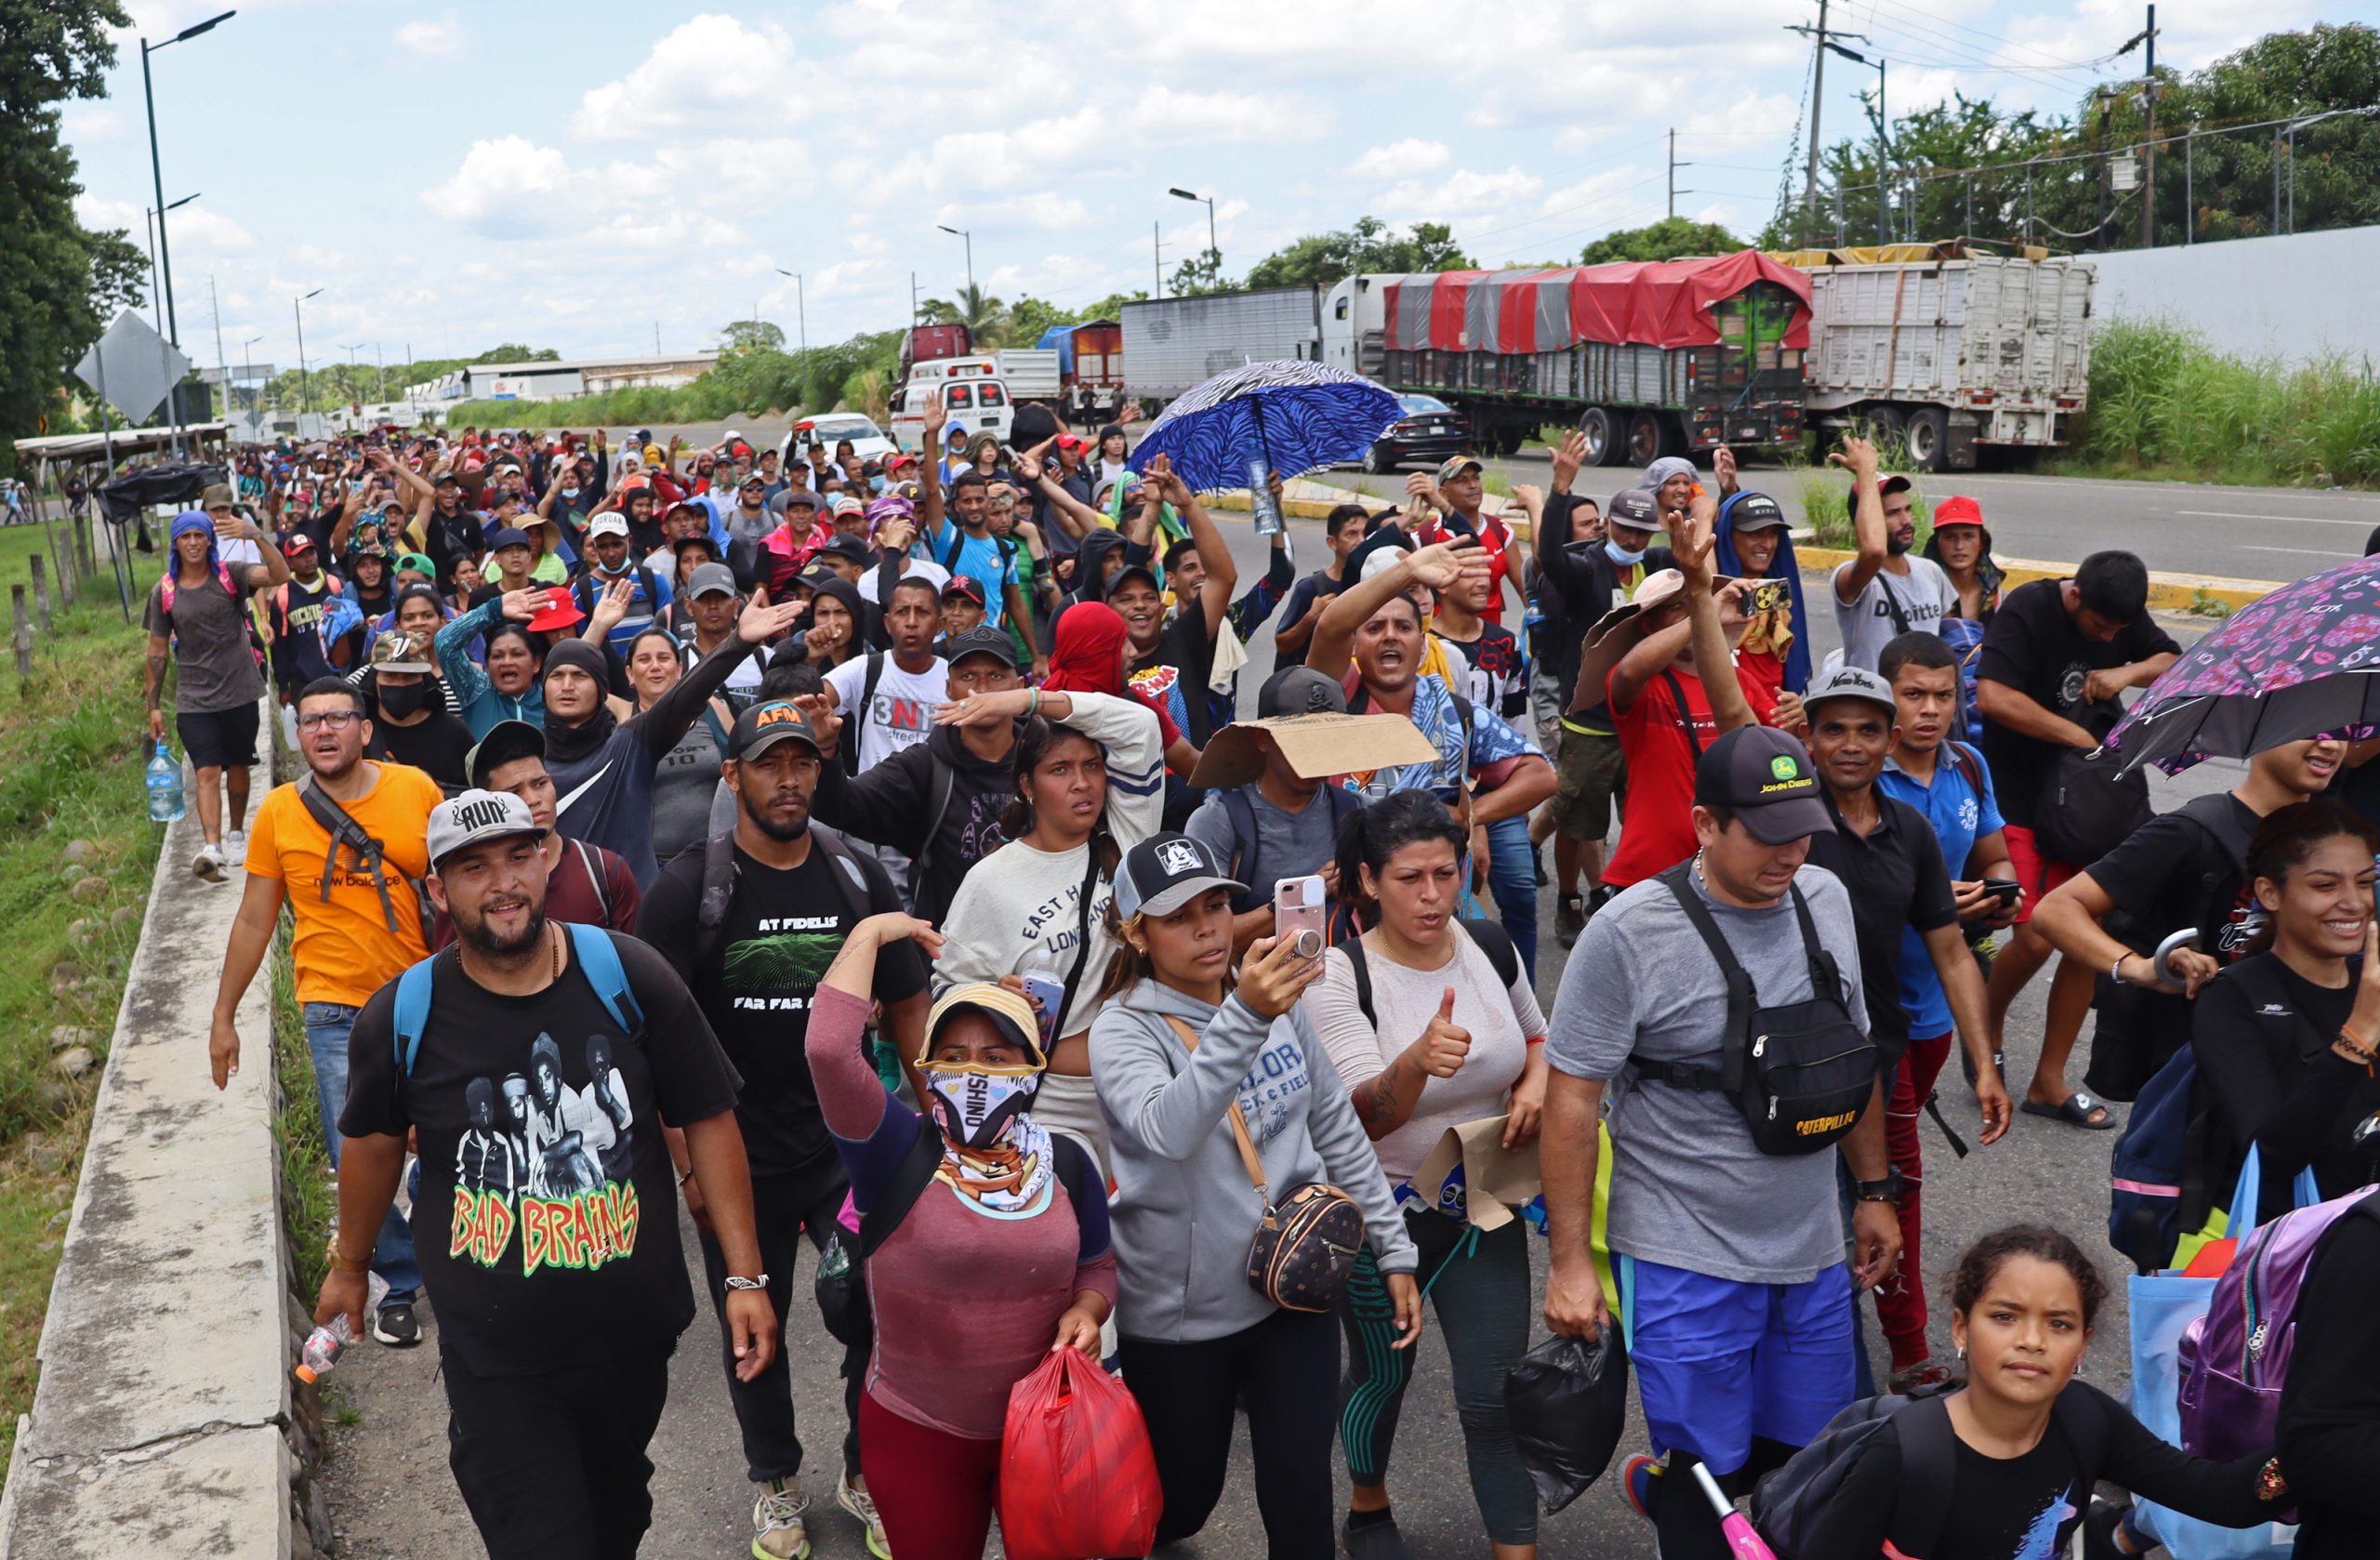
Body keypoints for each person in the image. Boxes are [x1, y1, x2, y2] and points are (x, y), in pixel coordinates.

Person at [313, 788, 769, 1560]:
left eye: (519, 856)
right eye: (473, 867)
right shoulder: (401, 1016)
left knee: (615, 1518)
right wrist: (351, 1266)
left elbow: (710, 1116)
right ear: (438, 889)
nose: (503, 883)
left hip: (631, 1339)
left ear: (547, 859)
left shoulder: (628, 975)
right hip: (497, 1361)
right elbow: (373, 1144)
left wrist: (746, 1277)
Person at [1540, 723, 1897, 1560]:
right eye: (1767, 835)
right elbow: (1570, 1102)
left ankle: (1660, 1488)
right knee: (1712, 1482)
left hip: (1810, 1247)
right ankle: (1673, 1495)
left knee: (1804, 1466)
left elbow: (1855, 1055)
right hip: (1684, 1254)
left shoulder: (1825, 896)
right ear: (1705, 824)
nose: (1790, 854)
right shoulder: (1628, 934)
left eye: (1801, 829)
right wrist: (1568, 1264)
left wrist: (1876, 1194)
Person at [641, 700, 927, 1559]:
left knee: (878, 1305)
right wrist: (685, 1162)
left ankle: (865, 1467)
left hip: (847, 1153)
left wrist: (938, 1124)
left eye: (803, 763)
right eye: (769, 764)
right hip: (737, 1159)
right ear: (733, 777)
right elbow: (648, 1038)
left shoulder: (855, 877)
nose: (790, 780)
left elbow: (909, 1002)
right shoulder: (689, 888)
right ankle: (774, 1480)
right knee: (751, 1327)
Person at [1090, 833, 1421, 1560]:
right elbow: (1166, 1131)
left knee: (1301, 1497)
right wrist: (1246, 1012)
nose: (1207, 927)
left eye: (1216, 905)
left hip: (1293, 1291)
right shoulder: (1120, 1030)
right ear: (1134, 931)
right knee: (1184, 1499)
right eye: (1179, 916)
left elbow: (1333, 1121)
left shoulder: (1271, 992)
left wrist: (1394, 1248)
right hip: (1180, 1320)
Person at [797, 922, 1116, 1560]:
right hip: (918, 1433)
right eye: (955, 1055)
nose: (975, 1072)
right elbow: (831, 1050)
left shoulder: (1068, 1162)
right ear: (925, 1066)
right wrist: (873, 931)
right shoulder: (892, 1151)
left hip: (1047, 1430)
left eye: (997, 1057)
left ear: (1032, 1071)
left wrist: (1087, 1310)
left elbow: (1098, 1268)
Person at [1303, 793, 1547, 1560]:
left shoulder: (1487, 942)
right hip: (1381, 1214)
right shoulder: (1339, 976)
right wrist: (1414, 1063)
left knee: (1493, 1392)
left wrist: (1534, 1085)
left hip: (1483, 1202)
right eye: (1410, 878)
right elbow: (1360, 1118)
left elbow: (1538, 1039)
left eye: (1445, 873)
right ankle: (1366, 1503)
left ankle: (1517, 1548)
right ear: (1369, 882)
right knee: (1383, 1376)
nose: (1433, 894)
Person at [1791, 1224, 2289, 1557]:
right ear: (1961, 1329)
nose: (2031, 1341)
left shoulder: (2086, 1418)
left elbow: (2222, 1496)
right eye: (2005, 1317)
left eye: (2059, 1323)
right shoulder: (1902, 1454)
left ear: (2083, 1344)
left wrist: (2316, 1439)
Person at [1797, 664, 2014, 1395]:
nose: (1851, 745)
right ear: (1811, 739)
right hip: (1784, 1063)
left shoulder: (1911, 832)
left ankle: (1907, 1353)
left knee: (1888, 1198)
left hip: (1876, 1059)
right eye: (1834, 729)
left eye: (1867, 730)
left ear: (1891, 742)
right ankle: (1816, 1368)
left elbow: (1951, 950)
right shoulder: (1785, 823)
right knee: (1804, 1217)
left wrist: (1984, 1065)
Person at [210, 678, 443, 1348]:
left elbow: (453, 888)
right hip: (334, 1008)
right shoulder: (280, 812)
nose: (323, 731)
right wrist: (223, 1015)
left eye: (338, 718)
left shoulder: (414, 790)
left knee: (446, 1134)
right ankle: (395, 1281)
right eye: (310, 721)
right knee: (354, 1152)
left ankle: (442, 1238)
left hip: (422, 995)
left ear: (364, 730)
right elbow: (256, 919)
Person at [2030, 736, 2341, 1122]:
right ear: (2260, 729)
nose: (2331, 744)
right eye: (2313, 728)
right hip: (2196, 1085)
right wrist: (2140, 966)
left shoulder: (2336, 841)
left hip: (2299, 1070)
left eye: (2341, 730)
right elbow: (2056, 910)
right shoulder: (2193, 830)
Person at [1973, 549, 2182, 1118]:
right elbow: (1991, 696)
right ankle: (1983, 1029)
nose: (2107, 636)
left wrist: (2125, 671)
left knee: (2084, 935)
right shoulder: (2029, 608)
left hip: (2089, 806)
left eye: (2116, 630)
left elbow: (2173, 659)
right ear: (2074, 597)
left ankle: (2049, 1081)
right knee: (2037, 935)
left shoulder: (2117, 613)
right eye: (2097, 627)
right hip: (2016, 795)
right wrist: (2073, 734)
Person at [933, 689, 1166, 1168]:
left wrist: (1027, 699)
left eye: (1092, 766)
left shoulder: (1128, 837)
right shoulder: (991, 880)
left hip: (1145, 1084)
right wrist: (994, 997)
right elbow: (946, 991)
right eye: (1060, 770)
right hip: (1048, 1102)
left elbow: (1140, 727)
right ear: (1028, 785)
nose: (1082, 783)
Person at [1309, 539, 1555, 977]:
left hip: (1437, 907)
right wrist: (1408, 572)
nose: (1389, 635)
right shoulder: (1337, 700)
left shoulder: (1454, 711)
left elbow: (1540, 775)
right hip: (1350, 908)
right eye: (1374, 627)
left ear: (1422, 645)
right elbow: (1328, 628)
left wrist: (1469, 817)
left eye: (1403, 627)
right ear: (1356, 644)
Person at [810, 627, 1154, 927]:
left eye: (996, 677)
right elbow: (841, 806)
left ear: (1017, 685)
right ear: (948, 688)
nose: (982, 691)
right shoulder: (923, 767)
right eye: (968, 677)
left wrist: (1032, 699)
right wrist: (825, 749)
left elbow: (1140, 727)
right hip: (960, 959)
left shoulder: (1052, 759)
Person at [2193, 802, 2380, 1228]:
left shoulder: (2369, 979)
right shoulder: (2230, 998)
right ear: (2269, 893)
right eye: (2325, 885)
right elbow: (2273, 1155)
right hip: (2279, 1253)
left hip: (2364, 1237)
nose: (2353, 903)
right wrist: (2360, 1035)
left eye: (2366, 882)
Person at [1578, 493, 1771, 895]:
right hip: (1651, 873)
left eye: (1690, 606)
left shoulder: (1740, 682)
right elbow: (1630, 668)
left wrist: (1796, 713)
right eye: (1674, 609)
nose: (1689, 614)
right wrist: (1704, 609)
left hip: (1724, 869)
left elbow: (1774, 748)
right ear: (1648, 625)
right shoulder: (1643, 684)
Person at [539, 590, 800, 886]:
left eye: (581, 676)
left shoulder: (629, 745)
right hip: (558, 914)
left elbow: (685, 697)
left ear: (602, 690)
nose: (568, 685)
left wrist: (738, 642)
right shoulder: (527, 758)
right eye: (557, 676)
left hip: (633, 911)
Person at [1529, 448, 1675, 938]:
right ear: (1606, 526)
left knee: (1643, 822)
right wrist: (1560, 489)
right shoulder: (1585, 569)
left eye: (1642, 533)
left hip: (1643, 721)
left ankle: (1636, 903)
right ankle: (1569, 901)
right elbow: (1548, 557)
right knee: (1576, 823)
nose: (1633, 540)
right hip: (1589, 724)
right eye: (1625, 530)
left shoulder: (1657, 567)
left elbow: (1700, 574)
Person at [146, 508, 288, 880]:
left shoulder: (232, 575)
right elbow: (157, 650)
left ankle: (237, 832)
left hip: (239, 689)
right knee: (206, 769)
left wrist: (255, 534)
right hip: (194, 697)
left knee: (239, 764)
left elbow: (280, 575)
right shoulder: (165, 591)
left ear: (210, 540)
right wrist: (153, 706)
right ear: (175, 544)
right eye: (185, 537)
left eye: (199, 535)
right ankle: (212, 846)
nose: (193, 542)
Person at [1184, 666, 1363, 954]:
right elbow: (1204, 934)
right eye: (1300, 741)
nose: (1315, 755)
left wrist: (1362, 888)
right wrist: (1302, 898)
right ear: (1263, 739)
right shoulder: (1220, 821)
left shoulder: (1355, 812)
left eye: (1326, 740)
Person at [450, 721, 641, 936]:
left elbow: (636, 962)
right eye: (514, 792)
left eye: (540, 783)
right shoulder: (463, 890)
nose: (533, 799)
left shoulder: (605, 872)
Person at [1105, 456, 1238, 749]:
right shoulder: (1103, 664)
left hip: (1195, 791)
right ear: (1108, 612)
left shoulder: (1183, 640)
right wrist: (1151, 507)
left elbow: (1224, 577)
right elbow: (1133, 561)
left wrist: (1188, 504)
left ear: (1161, 607)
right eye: (1126, 599)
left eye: (1149, 597)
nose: (1140, 605)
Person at [1830, 440, 1959, 671]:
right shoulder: (1852, 580)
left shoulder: (1931, 572)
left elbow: (1947, 645)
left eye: (1907, 510)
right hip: (1874, 706)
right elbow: (1873, 551)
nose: (1907, 520)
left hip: (1922, 704)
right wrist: (1866, 474)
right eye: (1892, 513)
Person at [621, 626, 735, 867]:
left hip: (717, 859)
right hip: (650, 865)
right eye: (644, 659)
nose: (655, 666)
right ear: (630, 674)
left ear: (680, 669)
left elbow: (742, 764)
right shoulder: (621, 720)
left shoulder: (711, 709)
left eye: (664, 658)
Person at [821, 575, 946, 776]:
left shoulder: (953, 679)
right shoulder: (865, 669)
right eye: (902, 612)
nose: (911, 622)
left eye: (922, 612)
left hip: (932, 804)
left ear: (940, 625)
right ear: (887, 623)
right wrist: (809, 657)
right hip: (871, 802)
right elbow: (809, 705)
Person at [1713, 489, 1811, 708]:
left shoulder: (1779, 595)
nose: (1767, 544)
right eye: (1755, 534)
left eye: (1773, 534)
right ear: (1729, 537)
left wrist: (1796, 710)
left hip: (1774, 725)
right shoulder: (1716, 596)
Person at [1409, 456, 1524, 624]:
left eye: (1476, 478)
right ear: (1443, 493)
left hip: (1490, 641)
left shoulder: (1501, 530)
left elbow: (1526, 590)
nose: (1472, 486)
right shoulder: (1424, 535)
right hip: (1442, 641)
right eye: (1462, 480)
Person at [360, 631, 473, 791]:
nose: (400, 684)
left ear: (424, 680)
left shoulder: (455, 733)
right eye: (390, 676)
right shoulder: (361, 735)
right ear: (374, 679)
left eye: (410, 676)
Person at [1273, 502, 1371, 665]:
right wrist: (1311, 618)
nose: (1361, 541)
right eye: (1352, 534)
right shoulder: (1310, 589)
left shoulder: (1376, 583)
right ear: (1332, 542)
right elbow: (1283, 645)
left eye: (1366, 534)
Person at [574, 511, 673, 659]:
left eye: (617, 544)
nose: (611, 553)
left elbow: (669, 634)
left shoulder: (654, 580)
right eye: (603, 546)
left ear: (629, 542)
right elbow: (581, 643)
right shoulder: (580, 590)